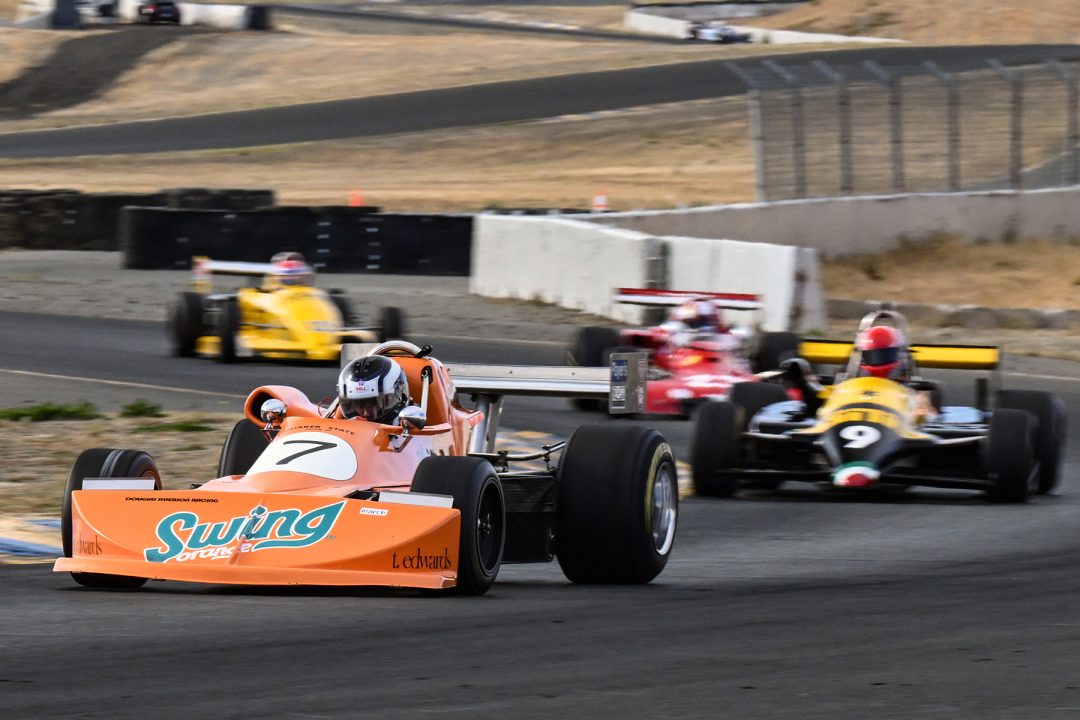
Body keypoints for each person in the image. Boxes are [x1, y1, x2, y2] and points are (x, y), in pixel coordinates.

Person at [338, 355, 411, 424]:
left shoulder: (414, 424)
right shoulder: (337, 422)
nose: (366, 413)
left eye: (373, 403)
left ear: (397, 396)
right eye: (360, 405)